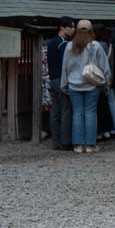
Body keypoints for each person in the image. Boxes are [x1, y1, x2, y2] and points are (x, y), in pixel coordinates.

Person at [59, 20, 111, 155]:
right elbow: (104, 67)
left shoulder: (70, 46)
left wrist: (64, 84)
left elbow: (65, 67)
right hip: (92, 85)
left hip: (73, 84)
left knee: (77, 114)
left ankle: (77, 145)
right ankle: (90, 145)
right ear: (91, 31)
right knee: (90, 113)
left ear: (76, 30)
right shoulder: (95, 46)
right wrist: (107, 83)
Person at [46, 16, 75, 149]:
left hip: (52, 79)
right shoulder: (63, 43)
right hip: (62, 79)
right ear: (63, 28)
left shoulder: (51, 42)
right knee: (66, 110)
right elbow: (67, 63)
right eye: (71, 27)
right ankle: (65, 141)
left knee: (55, 111)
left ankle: (55, 141)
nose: (73, 30)